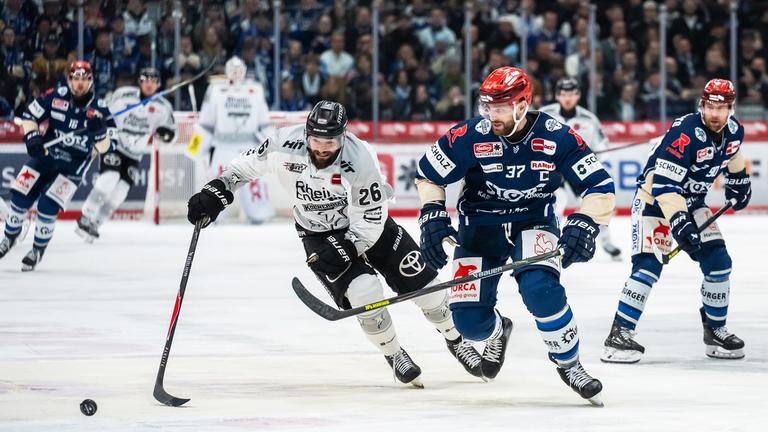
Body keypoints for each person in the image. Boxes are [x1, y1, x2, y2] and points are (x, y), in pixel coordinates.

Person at [186, 100, 483, 387]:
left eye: (331, 141)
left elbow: (372, 216)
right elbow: (244, 167)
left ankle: (456, 340)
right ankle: (394, 354)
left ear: (343, 136)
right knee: (365, 293)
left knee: (426, 288)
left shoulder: (360, 157)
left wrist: (351, 246)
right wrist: (218, 191)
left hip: (368, 228)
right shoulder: (283, 143)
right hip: (317, 234)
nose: (323, 148)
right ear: (306, 134)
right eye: (317, 140)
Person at [415, 67, 616, 405]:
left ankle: (570, 364)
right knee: (468, 323)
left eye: (501, 108)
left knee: (542, 291)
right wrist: (432, 214)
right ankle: (497, 331)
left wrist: (585, 221)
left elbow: (599, 186)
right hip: (479, 227)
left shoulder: (557, 136)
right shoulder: (468, 136)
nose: (492, 115)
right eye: (488, 107)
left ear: (523, 105)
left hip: (533, 221)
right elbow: (428, 175)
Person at [601, 79, 750, 363]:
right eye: (710, 107)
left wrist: (739, 181)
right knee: (648, 267)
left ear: (731, 109)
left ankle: (715, 330)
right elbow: (665, 186)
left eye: (722, 108)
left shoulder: (733, 131)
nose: (715, 114)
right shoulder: (685, 132)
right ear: (701, 105)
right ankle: (619, 333)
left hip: (692, 203)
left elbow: (734, 154)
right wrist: (680, 222)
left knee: (719, 263)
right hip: (655, 201)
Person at [0, 61, 116, 271]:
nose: (80, 85)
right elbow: (29, 115)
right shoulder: (56, 96)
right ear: (69, 80)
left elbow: (109, 148)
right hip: (44, 157)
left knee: (47, 206)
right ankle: (8, 237)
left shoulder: (100, 110)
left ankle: (37, 250)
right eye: (76, 79)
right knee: (19, 197)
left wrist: (99, 134)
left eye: (84, 80)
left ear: (91, 82)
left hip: (72, 168)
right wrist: (33, 137)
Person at [77, 68, 176, 241]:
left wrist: (165, 135)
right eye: (146, 80)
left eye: (153, 81)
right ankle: (86, 215)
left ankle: (96, 222)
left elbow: (171, 134)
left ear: (158, 85)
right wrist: (98, 120)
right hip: (114, 144)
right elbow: (102, 110)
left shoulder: (163, 107)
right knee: (110, 177)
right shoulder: (123, 95)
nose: (149, 84)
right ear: (139, 81)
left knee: (121, 191)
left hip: (135, 154)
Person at [539, 77, 623, 260]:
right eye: (563, 94)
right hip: (551, 168)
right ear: (557, 96)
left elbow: (603, 145)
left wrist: (592, 158)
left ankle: (607, 242)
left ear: (578, 95)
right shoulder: (544, 114)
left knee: (593, 202)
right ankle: (551, 242)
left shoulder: (588, 119)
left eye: (571, 94)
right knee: (557, 201)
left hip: (578, 168)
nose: (567, 98)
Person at [188, 56, 273, 224]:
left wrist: (272, 145)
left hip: (249, 147)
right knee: (220, 183)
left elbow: (264, 122)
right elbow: (206, 123)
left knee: (254, 183)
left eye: (239, 69)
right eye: (232, 70)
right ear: (226, 71)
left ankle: (259, 215)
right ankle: (212, 215)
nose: (236, 73)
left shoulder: (255, 90)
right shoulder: (216, 89)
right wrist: (194, 148)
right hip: (223, 147)